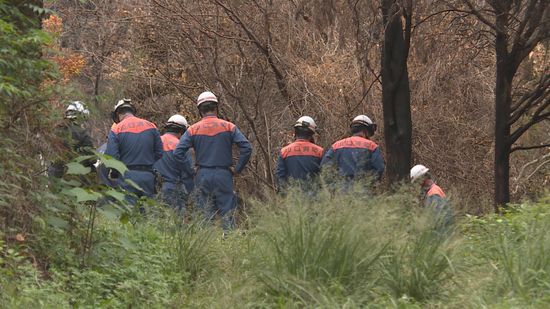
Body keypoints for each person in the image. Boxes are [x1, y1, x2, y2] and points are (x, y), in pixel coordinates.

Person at [174, 91, 252, 231]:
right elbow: (246, 147)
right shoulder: (229, 127)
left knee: (205, 217)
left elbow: (178, 152)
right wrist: (237, 169)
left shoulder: (193, 130)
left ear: (200, 110)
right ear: (216, 108)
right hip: (224, 175)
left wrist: (191, 170)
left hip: (202, 175)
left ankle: (207, 249)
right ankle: (229, 247)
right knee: (228, 215)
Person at [105, 99, 163, 204]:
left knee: (129, 215)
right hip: (148, 177)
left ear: (118, 113)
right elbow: (159, 152)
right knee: (148, 214)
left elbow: (112, 157)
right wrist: (146, 162)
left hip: (127, 177)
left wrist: (114, 173)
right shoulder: (151, 126)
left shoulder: (116, 129)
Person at [321, 115, 385, 189]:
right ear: (366, 131)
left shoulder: (336, 145)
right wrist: (370, 185)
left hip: (341, 194)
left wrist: (333, 186)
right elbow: (379, 168)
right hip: (364, 193)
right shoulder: (372, 146)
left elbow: (324, 167)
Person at [153, 114, 194, 214]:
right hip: (174, 190)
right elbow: (188, 173)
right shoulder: (181, 147)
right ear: (182, 132)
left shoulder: (154, 143)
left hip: (154, 189)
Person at [275, 116, 323, 192]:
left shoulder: (284, 151)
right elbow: (325, 175)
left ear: (295, 132)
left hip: (292, 198)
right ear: (311, 134)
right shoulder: (319, 151)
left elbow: (280, 178)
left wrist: (283, 197)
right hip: (314, 199)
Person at [48, 101, 94, 179]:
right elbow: (90, 156)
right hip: (74, 175)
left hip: (54, 171)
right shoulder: (82, 133)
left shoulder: (56, 129)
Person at [410, 164, 453, 230]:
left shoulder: (433, 194)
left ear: (423, 179)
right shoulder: (434, 190)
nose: (417, 184)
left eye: (417, 181)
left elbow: (436, 220)